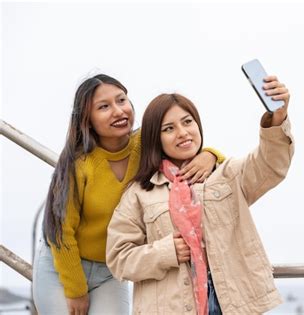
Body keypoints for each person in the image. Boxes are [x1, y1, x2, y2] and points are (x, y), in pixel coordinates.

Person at [32, 74, 224, 315]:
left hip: (111, 271)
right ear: (87, 119)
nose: (118, 111)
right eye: (104, 107)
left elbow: (184, 143)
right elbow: (61, 231)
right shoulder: (77, 163)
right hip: (63, 267)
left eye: (121, 100)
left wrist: (211, 155)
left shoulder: (146, 142)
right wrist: (76, 290)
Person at [106, 75, 294, 314]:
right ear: (156, 138)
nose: (183, 133)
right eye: (169, 128)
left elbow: (271, 165)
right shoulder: (140, 193)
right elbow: (118, 258)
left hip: (234, 304)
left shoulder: (226, 173)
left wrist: (277, 117)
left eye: (187, 122)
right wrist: (166, 252)